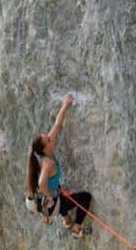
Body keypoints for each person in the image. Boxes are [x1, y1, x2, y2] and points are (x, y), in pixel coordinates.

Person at [25, 94, 92, 238]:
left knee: (60, 191)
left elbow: (57, 125)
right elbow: (42, 183)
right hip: (47, 205)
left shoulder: (41, 154)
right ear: (45, 148)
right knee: (86, 197)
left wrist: (65, 105)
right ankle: (76, 228)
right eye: (48, 139)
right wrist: (49, 197)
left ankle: (66, 219)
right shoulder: (48, 163)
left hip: (38, 201)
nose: (51, 138)